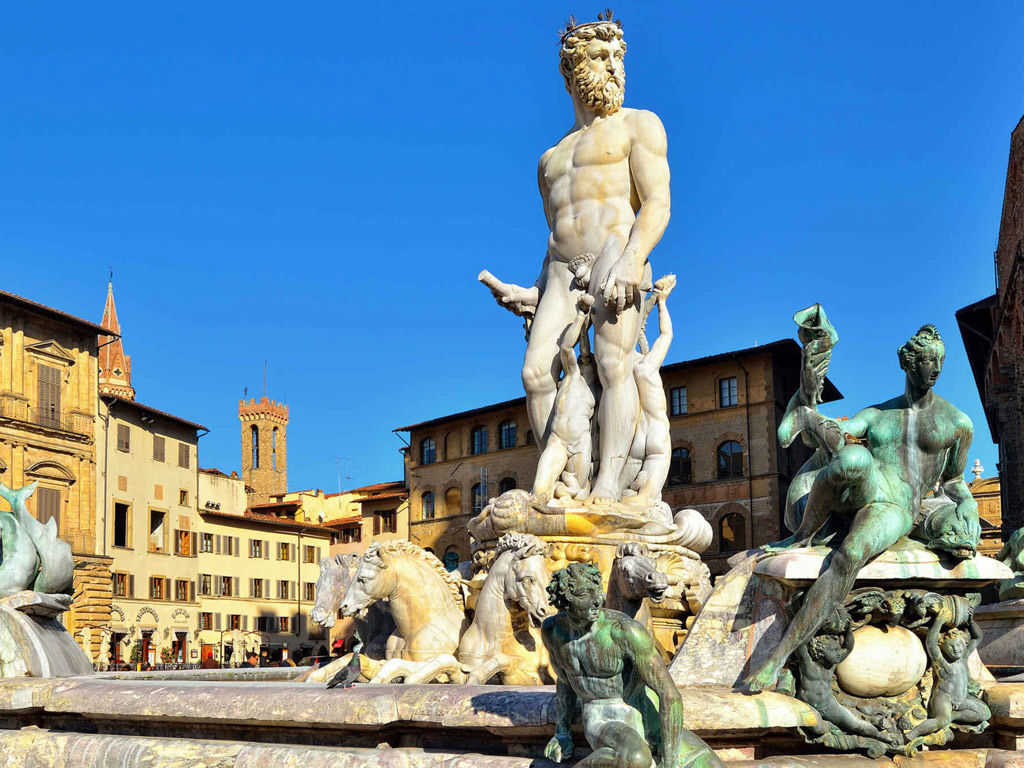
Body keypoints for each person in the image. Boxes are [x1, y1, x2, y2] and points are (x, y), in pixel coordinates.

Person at [485, 12, 670, 503]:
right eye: (600, 57)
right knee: (535, 372)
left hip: (617, 251)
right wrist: (531, 291)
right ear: (572, 71)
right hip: (563, 272)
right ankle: (568, 478)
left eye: (618, 58)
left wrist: (634, 257)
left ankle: (607, 483)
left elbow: (657, 202)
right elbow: (557, 236)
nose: (613, 68)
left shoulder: (639, 125)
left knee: (614, 365)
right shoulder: (550, 159)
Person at [745, 323, 980, 692]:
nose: (934, 368)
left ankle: (777, 658)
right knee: (852, 457)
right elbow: (821, 446)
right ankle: (802, 535)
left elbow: (953, 482)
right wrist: (810, 389)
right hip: (868, 484)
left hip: (896, 505)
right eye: (926, 360)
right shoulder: (876, 414)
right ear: (907, 362)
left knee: (851, 551)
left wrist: (967, 504)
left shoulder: (957, 423)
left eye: (939, 361)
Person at [541, 562, 722, 768]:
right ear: (565, 601)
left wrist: (670, 763)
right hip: (603, 716)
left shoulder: (624, 631)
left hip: (645, 714)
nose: (597, 600)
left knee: (713, 765)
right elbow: (565, 679)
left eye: (597, 591)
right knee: (637, 759)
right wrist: (562, 733)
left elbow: (669, 695)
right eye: (584, 594)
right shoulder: (553, 630)